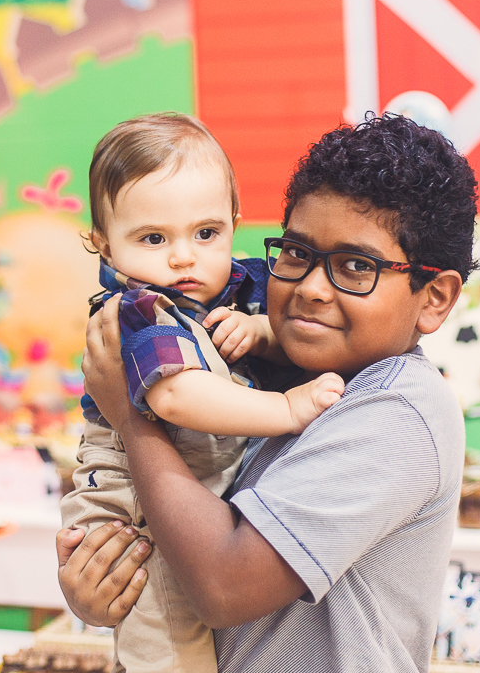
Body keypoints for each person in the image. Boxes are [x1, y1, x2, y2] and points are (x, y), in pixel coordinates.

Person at [58, 113, 477, 672]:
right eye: (297, 254)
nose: (310, 288)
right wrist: (108, 581)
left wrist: (130, 417)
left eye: (356, 267)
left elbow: (224, 586)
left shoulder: (398, 407)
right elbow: (184, 525)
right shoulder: (286, 365)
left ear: (434, 298)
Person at [62, 112, 345, 673]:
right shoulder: (142, 309)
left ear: (234, 223)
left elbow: (292, 333)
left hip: (188, 491)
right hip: (136, 516)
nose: (184, 256)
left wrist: (263, 332)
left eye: (206, 233)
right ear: (103, 245)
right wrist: (286, 408)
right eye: (153, 238)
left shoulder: (237, 285)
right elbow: (176, 396)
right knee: (169, 636)